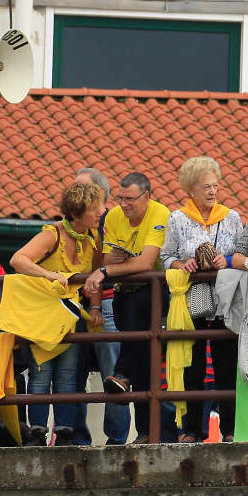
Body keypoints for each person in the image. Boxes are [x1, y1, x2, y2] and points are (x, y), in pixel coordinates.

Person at [9, 182, 106, 447]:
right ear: (76, 214)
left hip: (70, 319)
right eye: (94, 208)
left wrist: (95, 306)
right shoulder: (52, 234)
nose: (101, 211)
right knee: (40, 374)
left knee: (68, 374)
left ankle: (64, 433)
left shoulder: (93, 238)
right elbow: (18, 259)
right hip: (43, 317)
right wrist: (50, 275)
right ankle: (37, 433)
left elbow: (95, 276)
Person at [159, 156, 243, 444]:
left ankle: (232, 429)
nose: (212, 191)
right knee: (192, 365)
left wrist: (227, 259)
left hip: (225, 300)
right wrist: (182, 264)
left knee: (227, 364)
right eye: (205, 186)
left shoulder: (231, 217)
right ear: (191, 190)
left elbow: (242, 255)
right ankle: (192, 430)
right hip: (191, 300)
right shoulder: (177, 219)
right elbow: (165, 257)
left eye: (215, 186)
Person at [81, 172, 170, 442]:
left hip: (155, 292)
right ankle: (145, 431)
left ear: (147, 196)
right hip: (124, 293)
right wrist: (111, 267)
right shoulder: (114, 217)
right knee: (143, 359)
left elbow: (145, 264)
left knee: (151, 363)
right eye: (120, 198)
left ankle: (121, 374)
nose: (124, 204)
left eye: (130, 199)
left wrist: (107, 269)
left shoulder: (160, 213)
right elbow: (110, 257)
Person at [70, 167, 129, 446]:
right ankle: (75, 436)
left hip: (105, 304)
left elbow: (108, 261)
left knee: (113, 375)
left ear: (101, 193)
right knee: (72, 375)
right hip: (73, 306)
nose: (76, 194)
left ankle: (116, 439)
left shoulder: (113, 221)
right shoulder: (70, 221)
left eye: (82, 188)